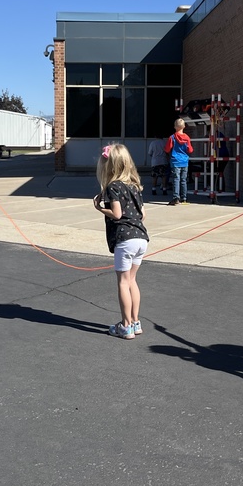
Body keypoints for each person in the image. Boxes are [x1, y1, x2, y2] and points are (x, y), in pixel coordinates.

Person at [93, 143, 149, 340]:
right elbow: (142, 215)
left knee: (123, 283)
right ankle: (135, 321)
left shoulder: (112, 187)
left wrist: (99, 208)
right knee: (132, 280)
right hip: (141, 238)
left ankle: (125, 326)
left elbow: (116, 214)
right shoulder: (134, 187)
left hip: (125, 239)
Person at [164, 117, 193, 206]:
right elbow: (190, 150)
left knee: (176, 179)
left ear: (175, 127)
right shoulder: (187, 137)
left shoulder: (172, 137)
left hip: (175, 161)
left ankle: (176, 197)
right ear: (184, 126)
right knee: (183, 179)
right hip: (184, 161)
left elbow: (167, 149)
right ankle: (184, 197)